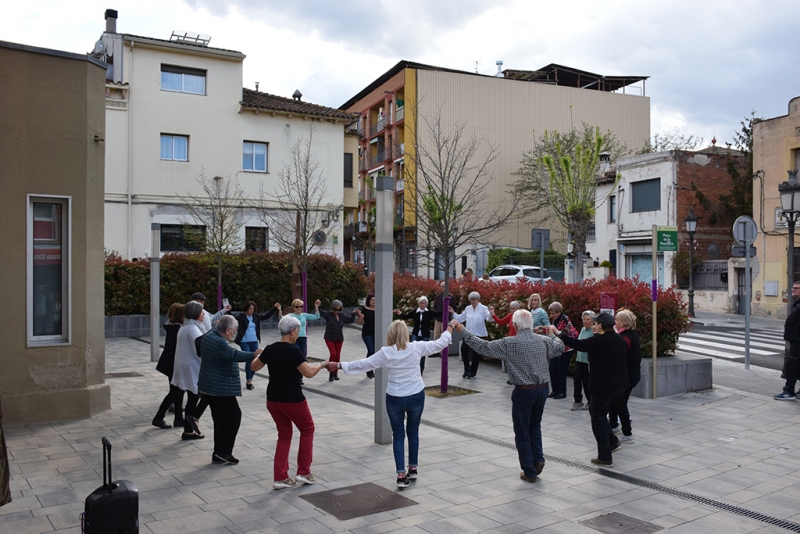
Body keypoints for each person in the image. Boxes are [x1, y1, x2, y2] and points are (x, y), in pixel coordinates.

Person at [328, 320, 455, 488]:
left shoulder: (386, 353)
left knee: (398, 435)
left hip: (395, 397)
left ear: (390, 334)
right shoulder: (417, 347)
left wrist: (338, 365)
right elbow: (440, 344)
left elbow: (364, 364)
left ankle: (401, 475)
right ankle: (414, 467)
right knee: (413, 432)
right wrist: (450, 328)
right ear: (406, 333)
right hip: (416, 395)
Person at [454, 310, 564, 483]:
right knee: (535, 426)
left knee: (522, 431)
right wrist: (554, 334)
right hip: (542, 389)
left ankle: (529, 471)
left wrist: (462, 329)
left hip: (524, 391)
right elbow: (559, 348)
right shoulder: (543, 341)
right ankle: (538, 459)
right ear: (531, 324)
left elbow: (483, 347)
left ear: (516, 325)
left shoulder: (509, 343)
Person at [250, 316, 328, 489]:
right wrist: (322, 365)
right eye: (298, 330)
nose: (298, 333)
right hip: (293, 398)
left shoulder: (270, 348)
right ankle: (304, 471)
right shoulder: (294, 351)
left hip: (273, 399)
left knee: (284, 435)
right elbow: (308, 373)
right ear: (292, 330)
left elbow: (254, 367)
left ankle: (280, 477)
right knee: (307, 430)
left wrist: (261, 354)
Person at [551, 313, 627, 467]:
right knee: (595, 410)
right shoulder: (618, 338)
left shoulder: (599, 340)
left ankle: (605, 456)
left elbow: (578, 345)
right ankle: (612, 442)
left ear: (600, 325)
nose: (594, 325)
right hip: (619, 384)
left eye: (596, 323)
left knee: (597, 418)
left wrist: (558, 333)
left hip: (603, 385)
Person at [197, 315, 262, 465]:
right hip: (220, 387)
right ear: (226, 330)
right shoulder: (220, 342)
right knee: (234, 416)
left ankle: (218, 453)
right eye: (233, 330)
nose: (234, 333)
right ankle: (223, 451)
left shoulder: (210, 335)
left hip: (208, 385)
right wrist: (254, 354)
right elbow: (233, 354)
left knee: (220, 420)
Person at [165, 301, 206, 439]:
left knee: (193, 397)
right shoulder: (192, 329)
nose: (203, 314)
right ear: (195, 313)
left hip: (185, 366)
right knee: (197, 397)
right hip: (191, 367)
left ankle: (188, 429)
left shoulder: (186, 326)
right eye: (201, 312)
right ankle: (191, 422)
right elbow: (201, 346)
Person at [230, 301, 281, 390]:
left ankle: (250, 379)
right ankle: (249, 381)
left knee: (255, 359)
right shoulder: (241, 317)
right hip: (244, 341)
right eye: (250, 308)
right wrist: (227, 310)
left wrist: (274, 308)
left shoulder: (256, 317)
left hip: (254, 341)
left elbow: (266, 316)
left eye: (253, 309)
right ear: (246, 308)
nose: (252, 310)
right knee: (249, 358)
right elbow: (231, 318)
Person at [607, 310, 642, 441]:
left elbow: (617, 351)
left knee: (621, 402)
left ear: (624, 323)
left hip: (628, 375)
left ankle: (627, 433)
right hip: (626, 374)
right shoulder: (627, 335)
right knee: (614, 400)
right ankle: (614, 425)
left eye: (617, 320)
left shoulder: (626, 337)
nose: (615, 322)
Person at [152, 303, 186, 429]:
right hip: (174, 364)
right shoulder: (178, 329)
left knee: (179, 390)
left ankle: (178, 418)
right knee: (175, 391)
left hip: (171, 363)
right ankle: (158, 417)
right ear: (181, 315)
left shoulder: (172, 327)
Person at [451, 292, 494, 379]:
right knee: (464, 349)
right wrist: (452, 312)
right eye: (470, 299)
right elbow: (460, 318)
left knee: (476, 354)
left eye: (474, 299)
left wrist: (491, 313)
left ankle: (473, 372)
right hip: (468, 334)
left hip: (479, 334)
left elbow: (489, 319)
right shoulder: (468, 308)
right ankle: (467, 368)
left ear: (478, 299)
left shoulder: (483, 308)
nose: (472, 301)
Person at [393, 296, 437, 373]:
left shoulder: (429, 312)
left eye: (424, 303)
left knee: (423, 353)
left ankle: (421, 370)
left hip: (425, 334)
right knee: (412, 350)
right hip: (416, 333)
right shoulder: (415, 312)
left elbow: (438, 314)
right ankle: (412, 368)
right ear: (419, 304)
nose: (422, 304)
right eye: (421, 303)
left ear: (426, 304)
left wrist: (448, 310)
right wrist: (400, 313)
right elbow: (406, 317)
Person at [318, 300, 357, 382]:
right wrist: (318, 305)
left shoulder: (341, 316)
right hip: (329, 337)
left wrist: (353, 314)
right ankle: (331, 373)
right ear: (332, 308)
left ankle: (335, 373)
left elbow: (349, 320)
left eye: (339, 310)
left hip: (339, 338)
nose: (337, 311)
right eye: (335, 309)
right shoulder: (328, 314)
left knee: (338, 356)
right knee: (333, 354)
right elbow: (320, 312)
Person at [546, 302, 577, 400]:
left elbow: (569, 334)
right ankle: (555, 390)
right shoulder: (555, 320)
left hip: (566, 349)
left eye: (553, 313)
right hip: (556, 347)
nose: (552, 315)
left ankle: (562, 391)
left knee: (561, 370)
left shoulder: (565, 320)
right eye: (551, 313)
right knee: (552, 368)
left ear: (559, 312)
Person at [775, 281, 800, 401]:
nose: (793, 290)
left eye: (797, 288)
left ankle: (789, 391)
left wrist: (796, 333)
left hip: (797, 340)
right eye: (793, 288)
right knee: (797, 365)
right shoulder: (797, 303)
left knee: (792, 365)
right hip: (795, 339)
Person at [572, 311, 595, 411]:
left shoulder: (594, 331)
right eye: (584, 319)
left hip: (588, 361)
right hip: (579, 359)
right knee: (576, 380)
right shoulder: (582, 329)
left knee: (587, 382)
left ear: (592, 321)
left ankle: (590, 401)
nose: (585, 321)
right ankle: (578, 401)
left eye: (588, 319)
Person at [354, 294, 377, 379]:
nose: (374, 302)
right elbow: (359, 322)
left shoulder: (378, 310)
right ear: (368, 301)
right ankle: (368, 369)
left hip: (376, 333)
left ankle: (370, 367)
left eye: (375, 300)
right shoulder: (365, 310)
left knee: (374, 351)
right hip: (367, 333)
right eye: (372, 300)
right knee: (370, 350)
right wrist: (360, 316)